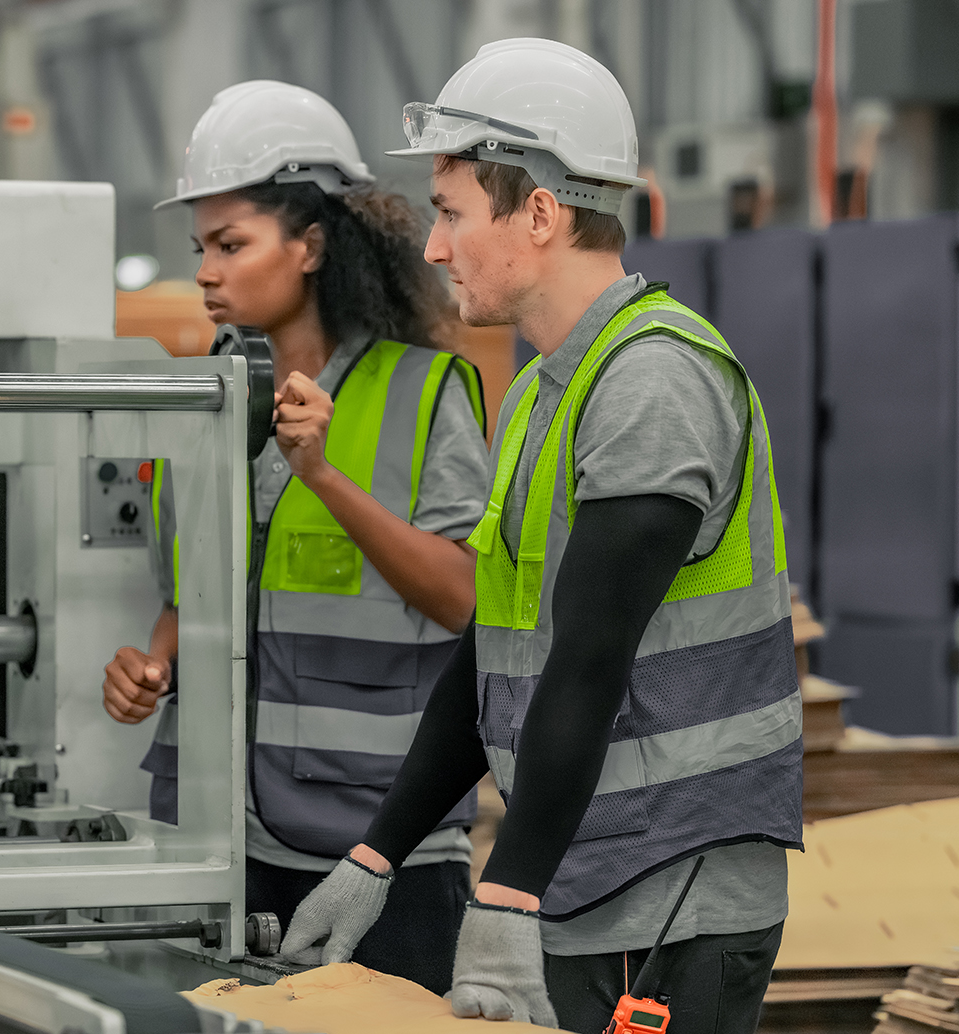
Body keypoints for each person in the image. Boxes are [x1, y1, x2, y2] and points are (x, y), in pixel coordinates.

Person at [278, 39, 803, 1034]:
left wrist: (506, 893)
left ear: (540, 214)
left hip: (665, 892)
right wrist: (376, 853)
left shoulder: (651, 381)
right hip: (583, 873)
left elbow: (589, 658)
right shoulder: (544, 387)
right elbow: (498, 648)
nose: (432, 249)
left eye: (449, 214)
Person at [100, 81, 493, 994]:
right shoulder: (201, 404)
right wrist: (153, 663)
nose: (205, 270)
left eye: (231, 244)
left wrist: (323, 475)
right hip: (219, 836)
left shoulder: (420, 394)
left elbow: (465, 600)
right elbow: (192, 593)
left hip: (378, 847)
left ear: (311, 246)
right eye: (200, 246)